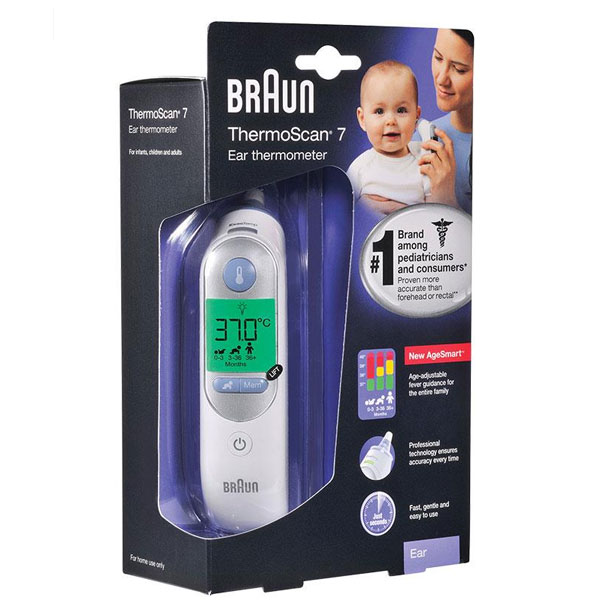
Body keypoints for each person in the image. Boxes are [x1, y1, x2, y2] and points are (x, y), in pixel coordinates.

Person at [347, 60, 431, 215]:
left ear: (416, 116)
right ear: (362, 119)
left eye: (401, 110)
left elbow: (436, 210)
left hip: (416, 229)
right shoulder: (359, 169)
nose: (391, 120)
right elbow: (346, 212)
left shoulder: (424, 160)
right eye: (379, 111)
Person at [419, 29, 474, 214]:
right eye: (438, 58)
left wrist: (446, 200)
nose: (441, 79)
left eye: (459, 69)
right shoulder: (420, 140)